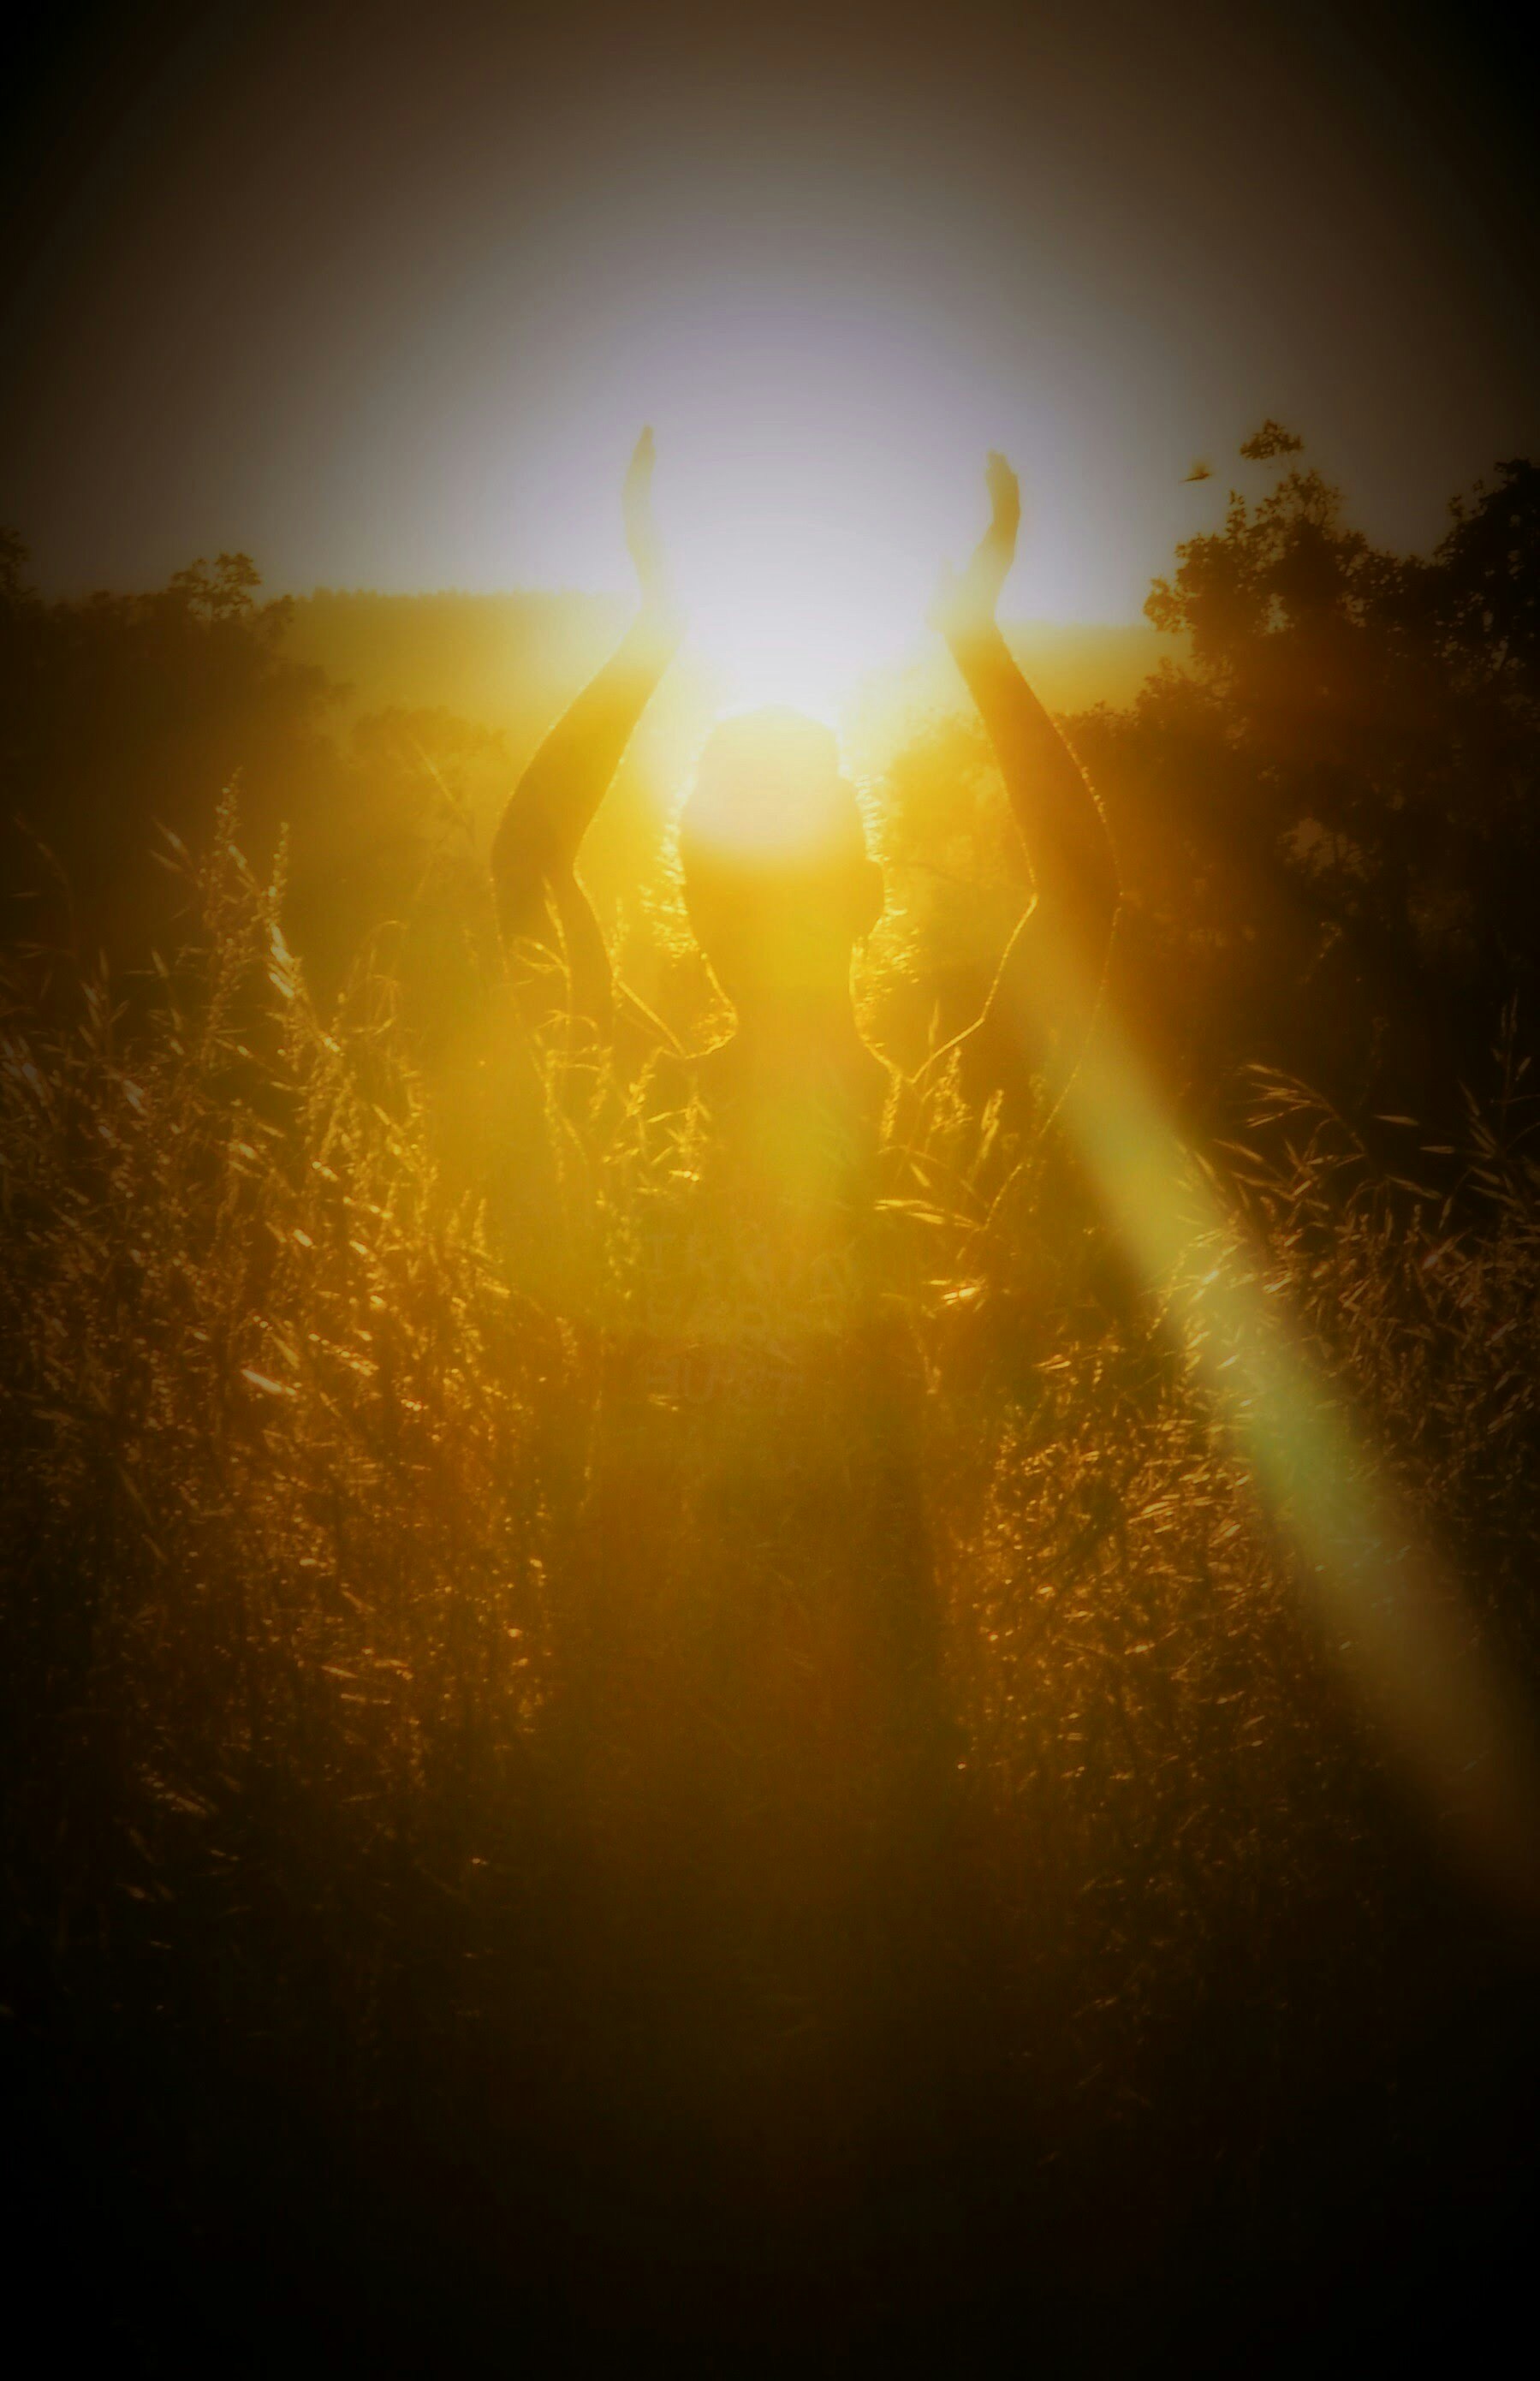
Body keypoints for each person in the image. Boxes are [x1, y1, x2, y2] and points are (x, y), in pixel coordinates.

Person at [487, 432, 1119, 2271]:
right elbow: (1078, 895)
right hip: (839, 1689)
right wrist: (977, 646)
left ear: (691, 891)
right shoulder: (902, 1117)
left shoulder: (655, 1098)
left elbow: (528, 863)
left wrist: (656, 634)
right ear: (860, 890)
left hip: (668, 1683)